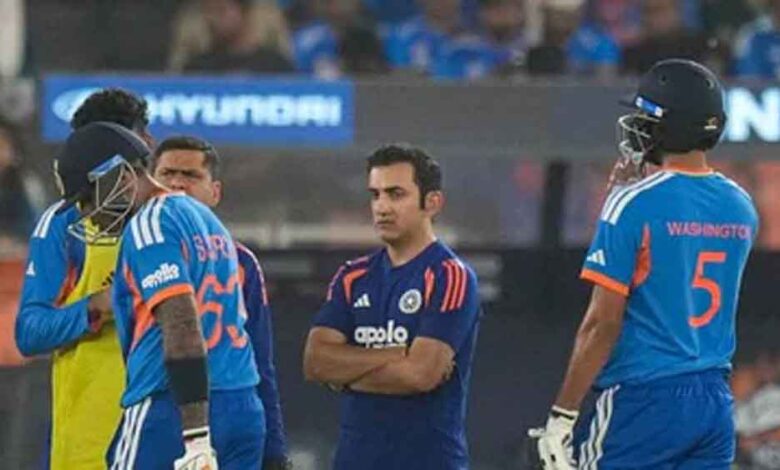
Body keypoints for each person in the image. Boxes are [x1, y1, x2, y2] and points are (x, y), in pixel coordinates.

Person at [528, 59, 759, 469]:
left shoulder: (632, 203)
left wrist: (562, 416)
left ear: (666, 125)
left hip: (644, 396)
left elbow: (602, 324)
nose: (638, 125)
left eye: (646, 116)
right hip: (714, 400)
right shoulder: (741, 206)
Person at [51, 121, 264, 469]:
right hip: (242, 405)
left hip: (173, 409)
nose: (88, 214)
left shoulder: (150, 225)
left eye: (88, 199)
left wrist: (196, 437)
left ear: (120, 177)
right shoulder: (206, 219)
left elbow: (181, 323)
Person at [303, 144, 482, 469]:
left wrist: (345, 376)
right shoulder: (352, 277)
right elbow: (316, 363)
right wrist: (396, 353)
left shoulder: (450, 275)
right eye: (375, 195)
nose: (382, 207)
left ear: (432, 203)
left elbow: (420, 375)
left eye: (396, 194)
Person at [14, 88, 152, 470]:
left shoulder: (171, 216)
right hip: (90, 445)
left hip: (164, 436)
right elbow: (30, 332)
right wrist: (95, 308)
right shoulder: (65, 224)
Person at [151, 135, 291, 470]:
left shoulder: (242, 264)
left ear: (215, 192)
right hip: (156, 410)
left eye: (190, 175)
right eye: (167, 174)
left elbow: (260, 361)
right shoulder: (135, 250)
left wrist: (274, 451)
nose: (176, 184)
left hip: (227, 413)